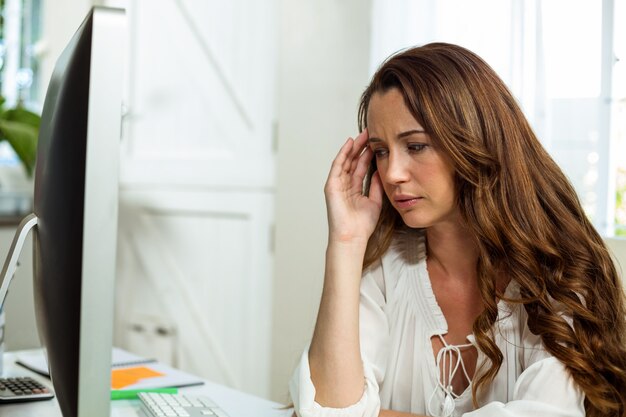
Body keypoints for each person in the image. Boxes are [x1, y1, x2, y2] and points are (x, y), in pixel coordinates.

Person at [288, 43, 626, 417]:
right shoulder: (385, 268)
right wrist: (346, 242)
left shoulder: (561, 274)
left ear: (476, 141)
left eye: (416, 146)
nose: (393, 173)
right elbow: (325, 411)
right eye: (381, 151)